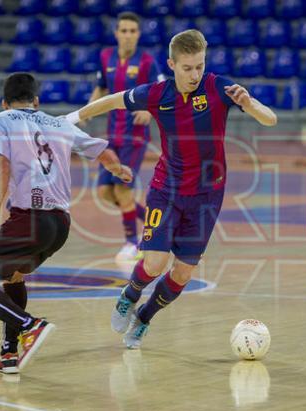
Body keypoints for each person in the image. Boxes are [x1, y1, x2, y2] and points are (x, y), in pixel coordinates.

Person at [65, 29, 277, 349]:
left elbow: (270, 119)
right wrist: (75, 117)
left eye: (200, 66)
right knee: (154, 264)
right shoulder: (157, 94)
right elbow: (113, 100)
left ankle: (145, 317)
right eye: (188, 68)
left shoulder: (219, 87)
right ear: (172, 64)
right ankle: (130, 294)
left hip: (208, 195)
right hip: (167, 188)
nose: (195, 74)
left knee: (182, 274)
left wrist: (251, 104)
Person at [0, 73, 132, 373]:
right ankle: (10, 352)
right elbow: (103, 151)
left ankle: (29, 325)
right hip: (60, 225)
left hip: (29, 220)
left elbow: (1, 164)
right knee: (13, 276)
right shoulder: (59, 123)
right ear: (36, 101)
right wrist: (119, 169)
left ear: (4, 102)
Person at [88, 11, 165, 261]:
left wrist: (149, 111)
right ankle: (160, 225)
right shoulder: (105, 57)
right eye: (124, 30)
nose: (128, 35)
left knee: (122, 190)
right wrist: (86, 111)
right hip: (113, 135)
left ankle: (133, 243)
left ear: (138, 34)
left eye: (133, 31)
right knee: (104, 192)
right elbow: (101, 87)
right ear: (117, 33)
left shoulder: (147, 61)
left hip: (135, 135)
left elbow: (162, 92)